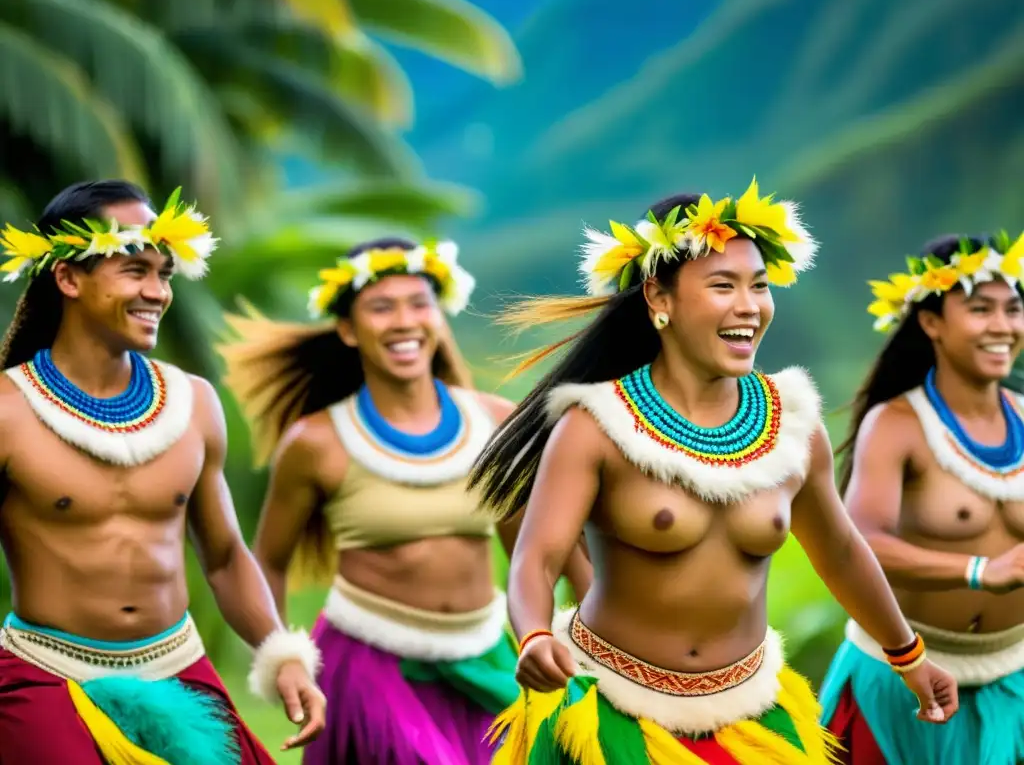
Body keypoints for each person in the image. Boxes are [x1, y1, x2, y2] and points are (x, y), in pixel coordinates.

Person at [468, 178, 960, 763]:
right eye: (723, 286)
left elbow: (841, 551)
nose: (749, 306)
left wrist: (907, 654)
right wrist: (535, 634)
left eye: (760, 285)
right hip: (610, 711)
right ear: (660, 298)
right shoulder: (595, 425)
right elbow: (536, 556)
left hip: (751, 713)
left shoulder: (793, 426)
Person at [215, 237, 593, 765]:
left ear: (439, 317)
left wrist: (592, 642)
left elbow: (537, 552)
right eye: (380, 307)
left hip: (485, 657)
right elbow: (269, 563)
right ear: (348, 329)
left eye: (419, 303)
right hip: (370, 662)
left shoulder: (493, 419)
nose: (404, 321)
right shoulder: (316, 443)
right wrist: (285, 662)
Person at [0, 180, 325, 765]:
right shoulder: (7, 410)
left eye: (165, 273)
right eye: (134, 270)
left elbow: (224, 557)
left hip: (178, 664)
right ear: (69, 279)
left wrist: (283, 654)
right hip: (47, 669)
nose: (156, 292)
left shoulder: (194, 403)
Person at [818, 231, 1024, 765]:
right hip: (904, 679)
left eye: (1013, 309)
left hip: (1014, 673)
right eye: (980, 309)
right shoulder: (898, 425)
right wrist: (979, 571)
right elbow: (859, 542)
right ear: (931, 322)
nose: (1002, 326)